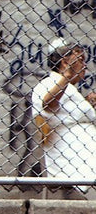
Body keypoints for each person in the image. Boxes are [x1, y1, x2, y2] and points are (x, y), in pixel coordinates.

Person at [31, 40, 96, 195]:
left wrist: (88, 104)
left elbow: (65, 114)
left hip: (84, 169)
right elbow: (47, 104)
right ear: (65, 61)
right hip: (74, 172)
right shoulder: (48, 83)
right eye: (80, 60)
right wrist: (67, 74)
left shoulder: (69, 90)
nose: (85, 66)